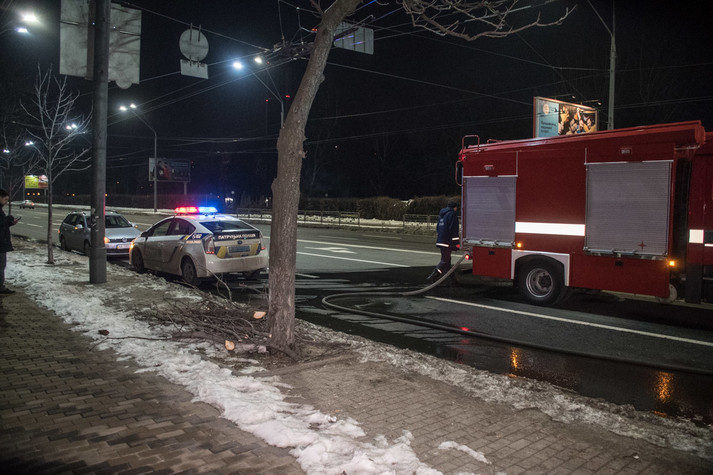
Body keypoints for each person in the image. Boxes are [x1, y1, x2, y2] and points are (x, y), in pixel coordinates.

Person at [427, 200, 460, 282]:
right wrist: (456, 243)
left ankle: (453, 279)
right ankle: (433, 276)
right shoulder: (452, 214)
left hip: (441, 240)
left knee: (447, 261)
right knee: (445, 260)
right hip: (447, 241)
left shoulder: (442, 215)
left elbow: (438, 227)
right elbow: (453, 229)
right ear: (454, 207)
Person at [0, 189, 19, 295]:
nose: (6, 202)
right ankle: (0, 287)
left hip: (2, 243)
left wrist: (10, 223)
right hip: (1, 244)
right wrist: (8, 219)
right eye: (5, 199)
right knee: (1, 266)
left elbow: (2, 225)